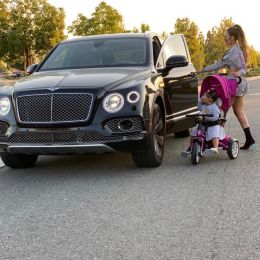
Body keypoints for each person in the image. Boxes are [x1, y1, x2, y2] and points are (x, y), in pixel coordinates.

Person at [197, 24, 255, 150]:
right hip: (233, 83)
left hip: (236, 84)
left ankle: (215, 140)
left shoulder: (237, 51)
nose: (224, 40)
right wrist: (202, 70)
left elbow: (244, 67)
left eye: (226, 37)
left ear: (233, 38)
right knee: (238, 112)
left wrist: (238, 73)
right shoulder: (230, 51)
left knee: (222, 110)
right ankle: (249, 138)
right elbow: (219, 64)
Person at [182, 88, 225, 156]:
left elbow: (216, 117)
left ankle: (215, 148)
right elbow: (198, 107)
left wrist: (205, 117)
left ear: (210, 100)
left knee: (213, 134)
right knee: (194, 132)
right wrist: (200, 101)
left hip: (212, 125)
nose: (202, 97)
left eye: (204, 97)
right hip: (203, 124)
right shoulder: (203, 105)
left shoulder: (214, 107)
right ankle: (191, 146)